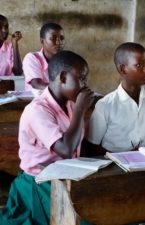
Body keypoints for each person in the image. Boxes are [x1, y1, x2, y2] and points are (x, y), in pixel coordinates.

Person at [0, 50, 94, 225]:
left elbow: (79, 145)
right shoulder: (38, 110)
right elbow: (66, 150)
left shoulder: (70, 104)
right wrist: (81, 110)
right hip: (41, 181)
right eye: (81, 79)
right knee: (83, 220)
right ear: (63, 77)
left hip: (68, 175)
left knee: (102, 207)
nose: (84, 86)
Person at [23, 22, 64, 92]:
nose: (59, 42)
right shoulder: (32, 58)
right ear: (42, 41)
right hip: (35, 101)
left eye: (61, 38)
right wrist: (64, 91)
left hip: (58, 101)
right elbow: (37, 84)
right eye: (53, 38)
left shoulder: (65, 60)